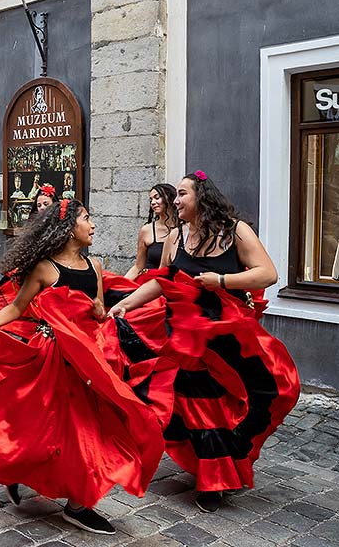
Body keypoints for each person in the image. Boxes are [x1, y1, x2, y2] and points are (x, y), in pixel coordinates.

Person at [0, 199, 164, 535]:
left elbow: (100, 311)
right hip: (53, 359)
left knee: (87, 427)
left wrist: (98, 310)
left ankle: (71, 500)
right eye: (87, 219)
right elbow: (18, 308)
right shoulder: (45, 268)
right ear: (67, 228)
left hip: (89, 359)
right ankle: (49, 487)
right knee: (45, 427)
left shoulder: (95, 264)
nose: (93, 225)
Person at [108, 171, 300, 513]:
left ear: (202, 197)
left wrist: (221, 280)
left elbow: (267, 273)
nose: (176, 200)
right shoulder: (176, 236)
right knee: (199, 407)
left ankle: (232, 456)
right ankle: (213, 481)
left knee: (271, 389)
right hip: (183, 337)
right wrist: (127, 302)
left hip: (227, 337)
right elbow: (164, 280)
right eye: (176, 195)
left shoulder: (235, 231)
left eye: (182, 194)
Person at [125, 183, 177, 280]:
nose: (153, 202)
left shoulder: (185, 228)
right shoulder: (147, 230)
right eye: (151, 199)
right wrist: (120, 284)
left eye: (157, 198)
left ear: (170, 198)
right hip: (149, 282)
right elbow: (138, 266)